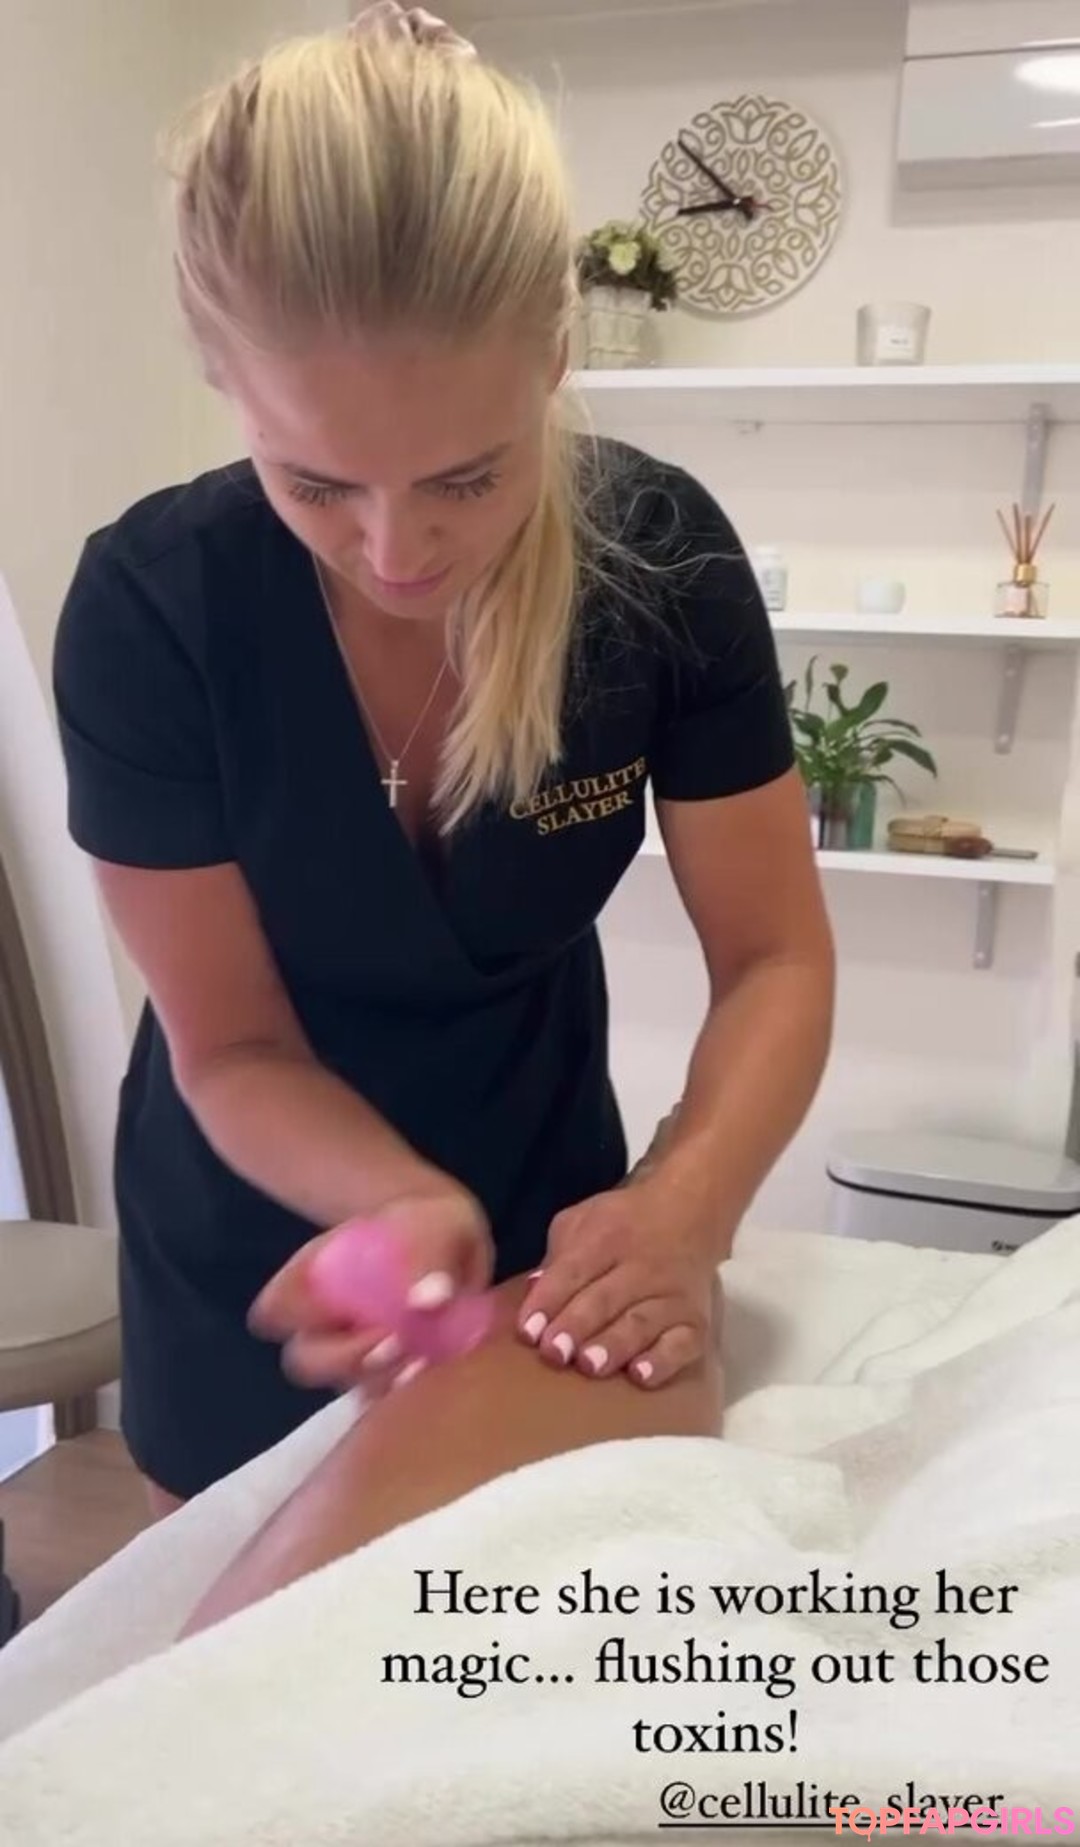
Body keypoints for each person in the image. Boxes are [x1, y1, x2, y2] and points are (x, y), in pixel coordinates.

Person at [52, 2, 834, 1522]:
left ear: (556, 352)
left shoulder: (659, 564)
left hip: (559, 1211)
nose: (398, 549)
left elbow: (775, 958)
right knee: (241, 1630)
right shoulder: (154, 609)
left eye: (468, 477)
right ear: (222, 380)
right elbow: (232, 1043)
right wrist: (397, 1201)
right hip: (271, 1219)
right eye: (316, 483)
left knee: (525, 1608)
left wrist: (685, 1203)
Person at [178, 1270, 723, 1640]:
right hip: (231, 1232)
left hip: (522, 1208)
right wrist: (400, 1192)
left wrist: (683, 1210)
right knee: (201, 1503)